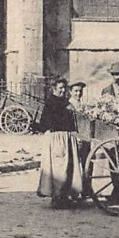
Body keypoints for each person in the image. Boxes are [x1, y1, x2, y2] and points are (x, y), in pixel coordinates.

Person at [37, 77, 84, 207]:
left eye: (64, 88)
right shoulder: (51, 102)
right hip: (56, 137)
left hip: (66, 137)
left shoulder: (65, 102)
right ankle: (57, 197)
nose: (63, 90)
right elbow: (44, 122)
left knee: (67, 167)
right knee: (58, 168)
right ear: (53, 88)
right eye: (60, 88)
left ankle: (64, 195)